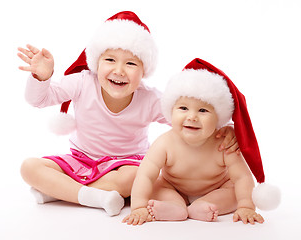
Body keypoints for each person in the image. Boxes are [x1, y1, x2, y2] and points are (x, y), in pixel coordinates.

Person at [17, 12, 238, 216]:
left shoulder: (150, 99)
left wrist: (225, 129)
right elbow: (38, 100)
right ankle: (92, 196)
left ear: (144, 72)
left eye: (131, 63)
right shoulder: (82, 82)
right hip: (80, 160)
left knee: (137, 177)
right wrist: (42, 77)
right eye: (110, 60)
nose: (119, 71)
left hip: (126, 165)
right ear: (96, 62)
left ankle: (61, 192)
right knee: (29, 167)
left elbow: (187, 121)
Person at [123, 58, 273, 225]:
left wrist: (246, 206)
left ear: (219, 118)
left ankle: (202, 206)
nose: (192, 117)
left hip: (215, 189)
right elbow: (145, 175)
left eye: (203, 110)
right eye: (183, 108)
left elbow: (242, 178)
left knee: (233, 193)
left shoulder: (223, 144)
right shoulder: (165, 143)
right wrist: (138, 207)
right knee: (156, 186)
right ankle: (175, 206)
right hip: (172, 187)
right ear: (170, 111)